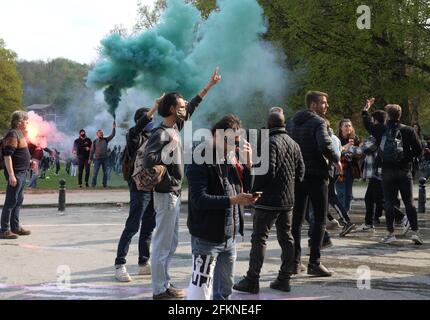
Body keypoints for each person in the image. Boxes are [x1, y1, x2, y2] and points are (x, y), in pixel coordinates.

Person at [143, 68, 221, 300]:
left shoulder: (174, 127)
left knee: (171, 242)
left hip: (173, 192)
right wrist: (165, 167)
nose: (185, 107)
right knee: (162, 244)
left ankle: (164, 284)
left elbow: (193, 106)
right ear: (170, 109)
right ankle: (159, 290)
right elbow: (149, 160)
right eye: (180, 105)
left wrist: (208, 86)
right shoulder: (161, 133)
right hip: (166, 192)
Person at [186, 114, 257, 300]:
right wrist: (234, 200)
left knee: (224, 293)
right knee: (199, 294)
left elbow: (247, 188)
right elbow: (199, 200)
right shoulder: (199, 158)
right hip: (207, 236)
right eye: (230, 142)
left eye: (236, 142)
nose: (234, 146)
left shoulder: (231, 158)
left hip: (229, 236)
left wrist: (249, 165)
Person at [233, 112, 304, 294]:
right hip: (287, 200)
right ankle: (284, 279)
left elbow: (267, 171)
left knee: (259, 238)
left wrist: (255, 190)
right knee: (286, 237)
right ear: (283, 124)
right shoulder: (294, 143)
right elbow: (301, 172)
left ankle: (252, 280)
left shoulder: (269, 143)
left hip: (268, 200)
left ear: (268, 125)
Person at [287, 91, 341, 277]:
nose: (326, 106)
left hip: (297, 175)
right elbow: (325, 145)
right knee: (318, 219)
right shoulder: (319, 123)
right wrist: (336, 159)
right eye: (323, 103)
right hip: (317, 176)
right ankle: (314, 263)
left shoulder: (291, 122)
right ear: (312, 105)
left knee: (296, 220)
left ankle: (294, 263)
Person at [114, 96, 162, 282]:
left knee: (149, 227)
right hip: (139, 187)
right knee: (133, 226)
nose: (151, 121)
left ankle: (143, 262)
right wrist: (154, 108)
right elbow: (139, 125)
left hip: (153, 187)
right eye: (147, 119)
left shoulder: (155, 136)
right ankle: (120, 264)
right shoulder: (133, 136)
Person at [363, 98, 423, 244]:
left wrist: (366, 109)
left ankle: (390, 234)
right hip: (404, 170)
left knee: (389, 202)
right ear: (400, 115)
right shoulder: (408, 130)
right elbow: (419, 150)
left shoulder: (381, 129)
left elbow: (367, 123)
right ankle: (415, 232)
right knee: (409, 202)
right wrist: (407, 159)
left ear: (388, 116)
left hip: (387, 170)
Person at [0, 111, 32, 239]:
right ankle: (4, 230)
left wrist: (29, 161)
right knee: (11, 201)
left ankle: (15, 227)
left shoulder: (19, 134)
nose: (27, 122)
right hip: (16, 173)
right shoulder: (13, 134)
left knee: (18, 200)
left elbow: (20, 153)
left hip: (22, 172)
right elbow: (8, 156)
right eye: (26, 120)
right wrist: (12, 175)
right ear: (19, 122)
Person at [336, 119, 361, 214]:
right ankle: (342, 213)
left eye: (349, 126)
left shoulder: (355, 139)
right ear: (341, 128)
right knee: (341, 192)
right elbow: (335, 152)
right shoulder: (336, 138)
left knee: (349, 193)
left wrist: (355, 152)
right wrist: (346, 147)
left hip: (351, 168)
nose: (348, 128)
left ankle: (346, 212)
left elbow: (360, 154)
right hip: (340, 168)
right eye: (346, 126)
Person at [89, 122, 116, 188]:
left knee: (106, 173)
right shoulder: (95, 141)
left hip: (105, 159)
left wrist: (114, 128)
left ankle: (104, 184)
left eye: (102, 133)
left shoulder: (106, 140)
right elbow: (92, 151)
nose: (101, 134)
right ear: (97, 134)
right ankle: (93, 185)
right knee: (95, 173)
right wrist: (90, 159)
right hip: (97, 159)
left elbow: (112, 135)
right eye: (100, 133)